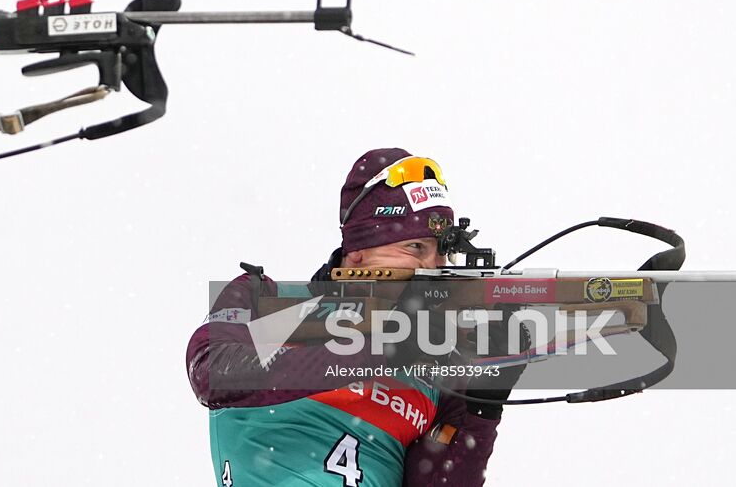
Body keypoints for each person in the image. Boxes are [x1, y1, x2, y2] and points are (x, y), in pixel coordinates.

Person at [186, 148, 512, 486]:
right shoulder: (267, 300)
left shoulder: (432, 371)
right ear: (358, 250)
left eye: (443, 252)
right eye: (416, 248)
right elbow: (211, 370)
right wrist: (386, 347)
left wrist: (484, 405)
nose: (433, 266)